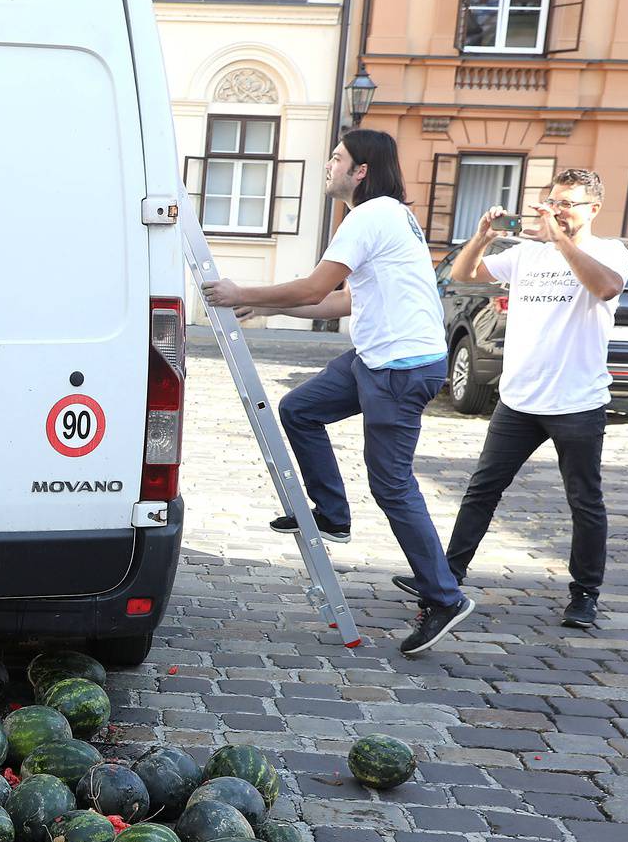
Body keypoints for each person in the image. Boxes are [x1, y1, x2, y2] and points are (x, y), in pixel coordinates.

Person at [203, 129, 474, 656]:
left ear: (360, 170)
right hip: (374, 359)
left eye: (336, 158)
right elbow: (345, 302)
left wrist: (243, 292)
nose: (328, 165)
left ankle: (444, 596)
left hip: (399, 368)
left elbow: (314, 288)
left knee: (391, 486)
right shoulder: (389, 217)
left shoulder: (370, 216)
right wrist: (270, 307)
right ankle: (332, 514)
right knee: (300, 409)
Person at [393, 169, 627, 629]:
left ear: (593, 209)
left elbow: (605, 288)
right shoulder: (525, 254)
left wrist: (560, 239)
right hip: (518, 399)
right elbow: (463, 275)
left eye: (569, 203)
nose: (557, 209)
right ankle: (446, 576)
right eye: (553, 201)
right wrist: (481, 238)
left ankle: (584, 595)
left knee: (584, 500)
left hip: (576, 402)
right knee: (482, 490)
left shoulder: (607, 252)